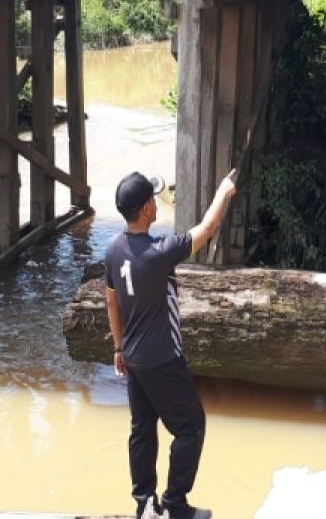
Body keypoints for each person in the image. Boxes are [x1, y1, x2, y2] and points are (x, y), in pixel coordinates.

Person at [105, 169, 238, 519]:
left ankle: (145, 505)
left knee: (142, 430)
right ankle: (176, 506)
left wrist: (118, 348)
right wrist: (223, 192)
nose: (156, 203)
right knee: (191, 428)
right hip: (163, 358)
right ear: (147, 207)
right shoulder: (158, 252)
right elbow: (207, 230)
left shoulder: (113, 249)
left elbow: (111, 300)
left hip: (133, 358)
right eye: (153, 198)